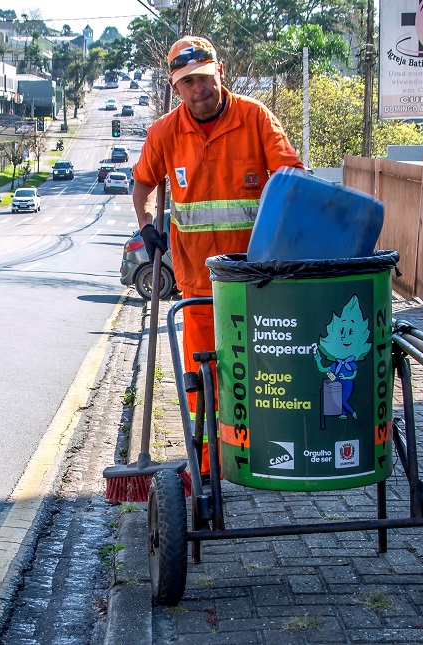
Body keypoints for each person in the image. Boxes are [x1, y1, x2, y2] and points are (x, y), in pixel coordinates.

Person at [131, 35, 304, 474]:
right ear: (176, 87)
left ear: (219, 73)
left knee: (265, 371)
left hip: (258, 278)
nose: (199, 89)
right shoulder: (165, 132)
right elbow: (144, 182)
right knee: (202, 375)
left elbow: (291, 176)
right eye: (188, 82)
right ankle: (206, 465)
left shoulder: (254, 118)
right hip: (198, 282)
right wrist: (147, 224)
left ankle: (269, 451)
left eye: (205, 78)